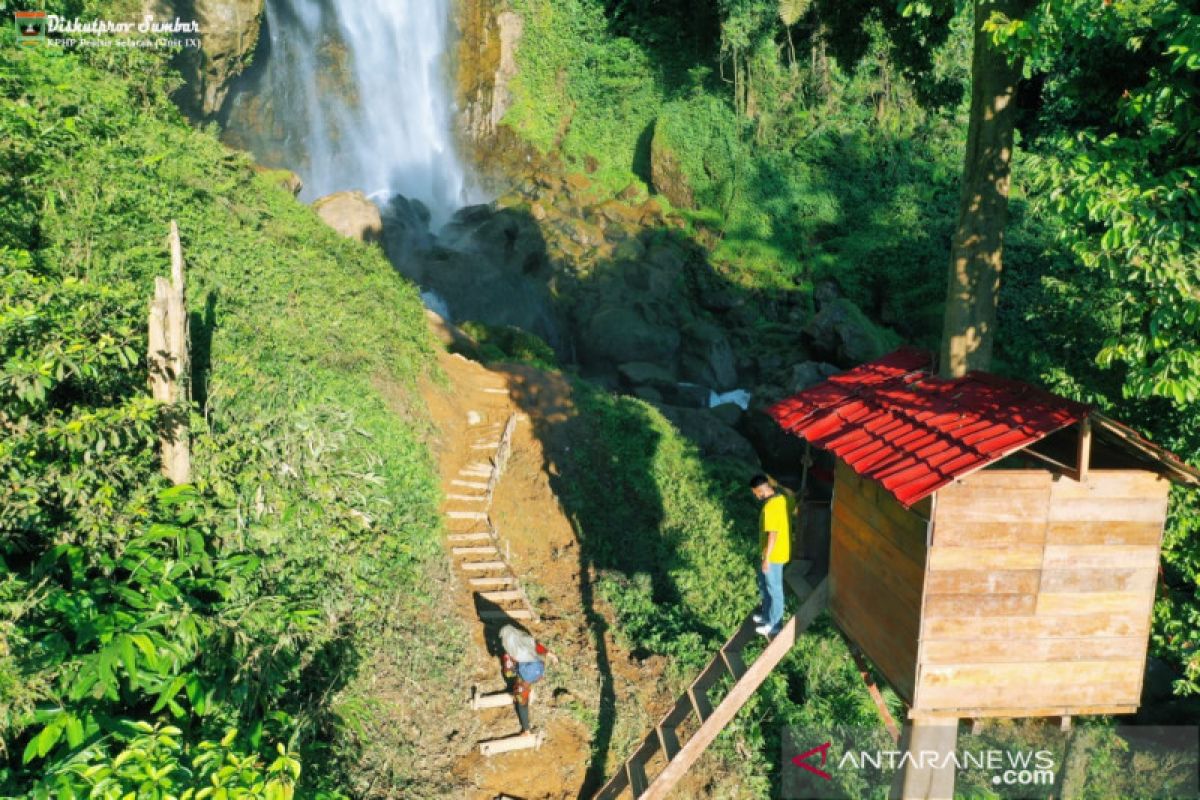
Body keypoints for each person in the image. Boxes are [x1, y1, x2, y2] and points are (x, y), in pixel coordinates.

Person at [499, 624, 559, 734]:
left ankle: (526, 729)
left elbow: (511, 664)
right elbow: (538, 647)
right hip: (537, 669)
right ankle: (526, 690)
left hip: (530, 671)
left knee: (521, 697)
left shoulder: (514, 651)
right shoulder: (525, 639)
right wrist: (552, 656)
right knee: (519, 679)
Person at [750, 474, 791, 636]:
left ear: (760, 491)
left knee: (774, 589)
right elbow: (794, 500)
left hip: (774, 555)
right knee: (764, 585)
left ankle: (774, 624)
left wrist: (767, 559)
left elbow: (772, 534)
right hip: (770, 553)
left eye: (755, 493)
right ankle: (766, 615)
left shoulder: (771, 507)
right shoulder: (781, 498)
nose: (755, 496)